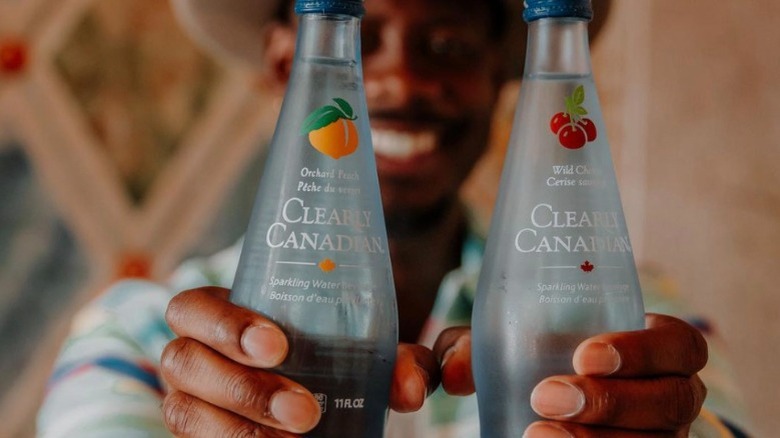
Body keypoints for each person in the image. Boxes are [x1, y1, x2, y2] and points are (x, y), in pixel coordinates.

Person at [37, 0, 752, 436]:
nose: (403, 81)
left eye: (447, 46)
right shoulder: (137, 337)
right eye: (357, 40)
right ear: (286, 65)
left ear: (501, 70)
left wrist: (676, 429)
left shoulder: (630, 315)